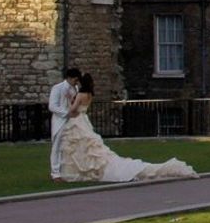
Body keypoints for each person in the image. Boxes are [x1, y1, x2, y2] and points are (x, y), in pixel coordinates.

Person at [55, 74, 197, 184]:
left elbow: (73, 110)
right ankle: (83, 170)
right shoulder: (89, 94)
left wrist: (66, 104)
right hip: (83, 120)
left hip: (76, 120)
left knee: (77, 146)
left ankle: (79, 171)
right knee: (84, 146)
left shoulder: (80, 94)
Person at [49, 66, 82, 181]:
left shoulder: (76, 88)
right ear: (69, 78)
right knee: (57, 147)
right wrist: (67, 113)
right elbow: (52, 106)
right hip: (60, 121)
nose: (76, 82)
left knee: (71, 146)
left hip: (73, 121)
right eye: (75, 80)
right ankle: (55, 173)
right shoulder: (57, 88)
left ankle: (68, 170)